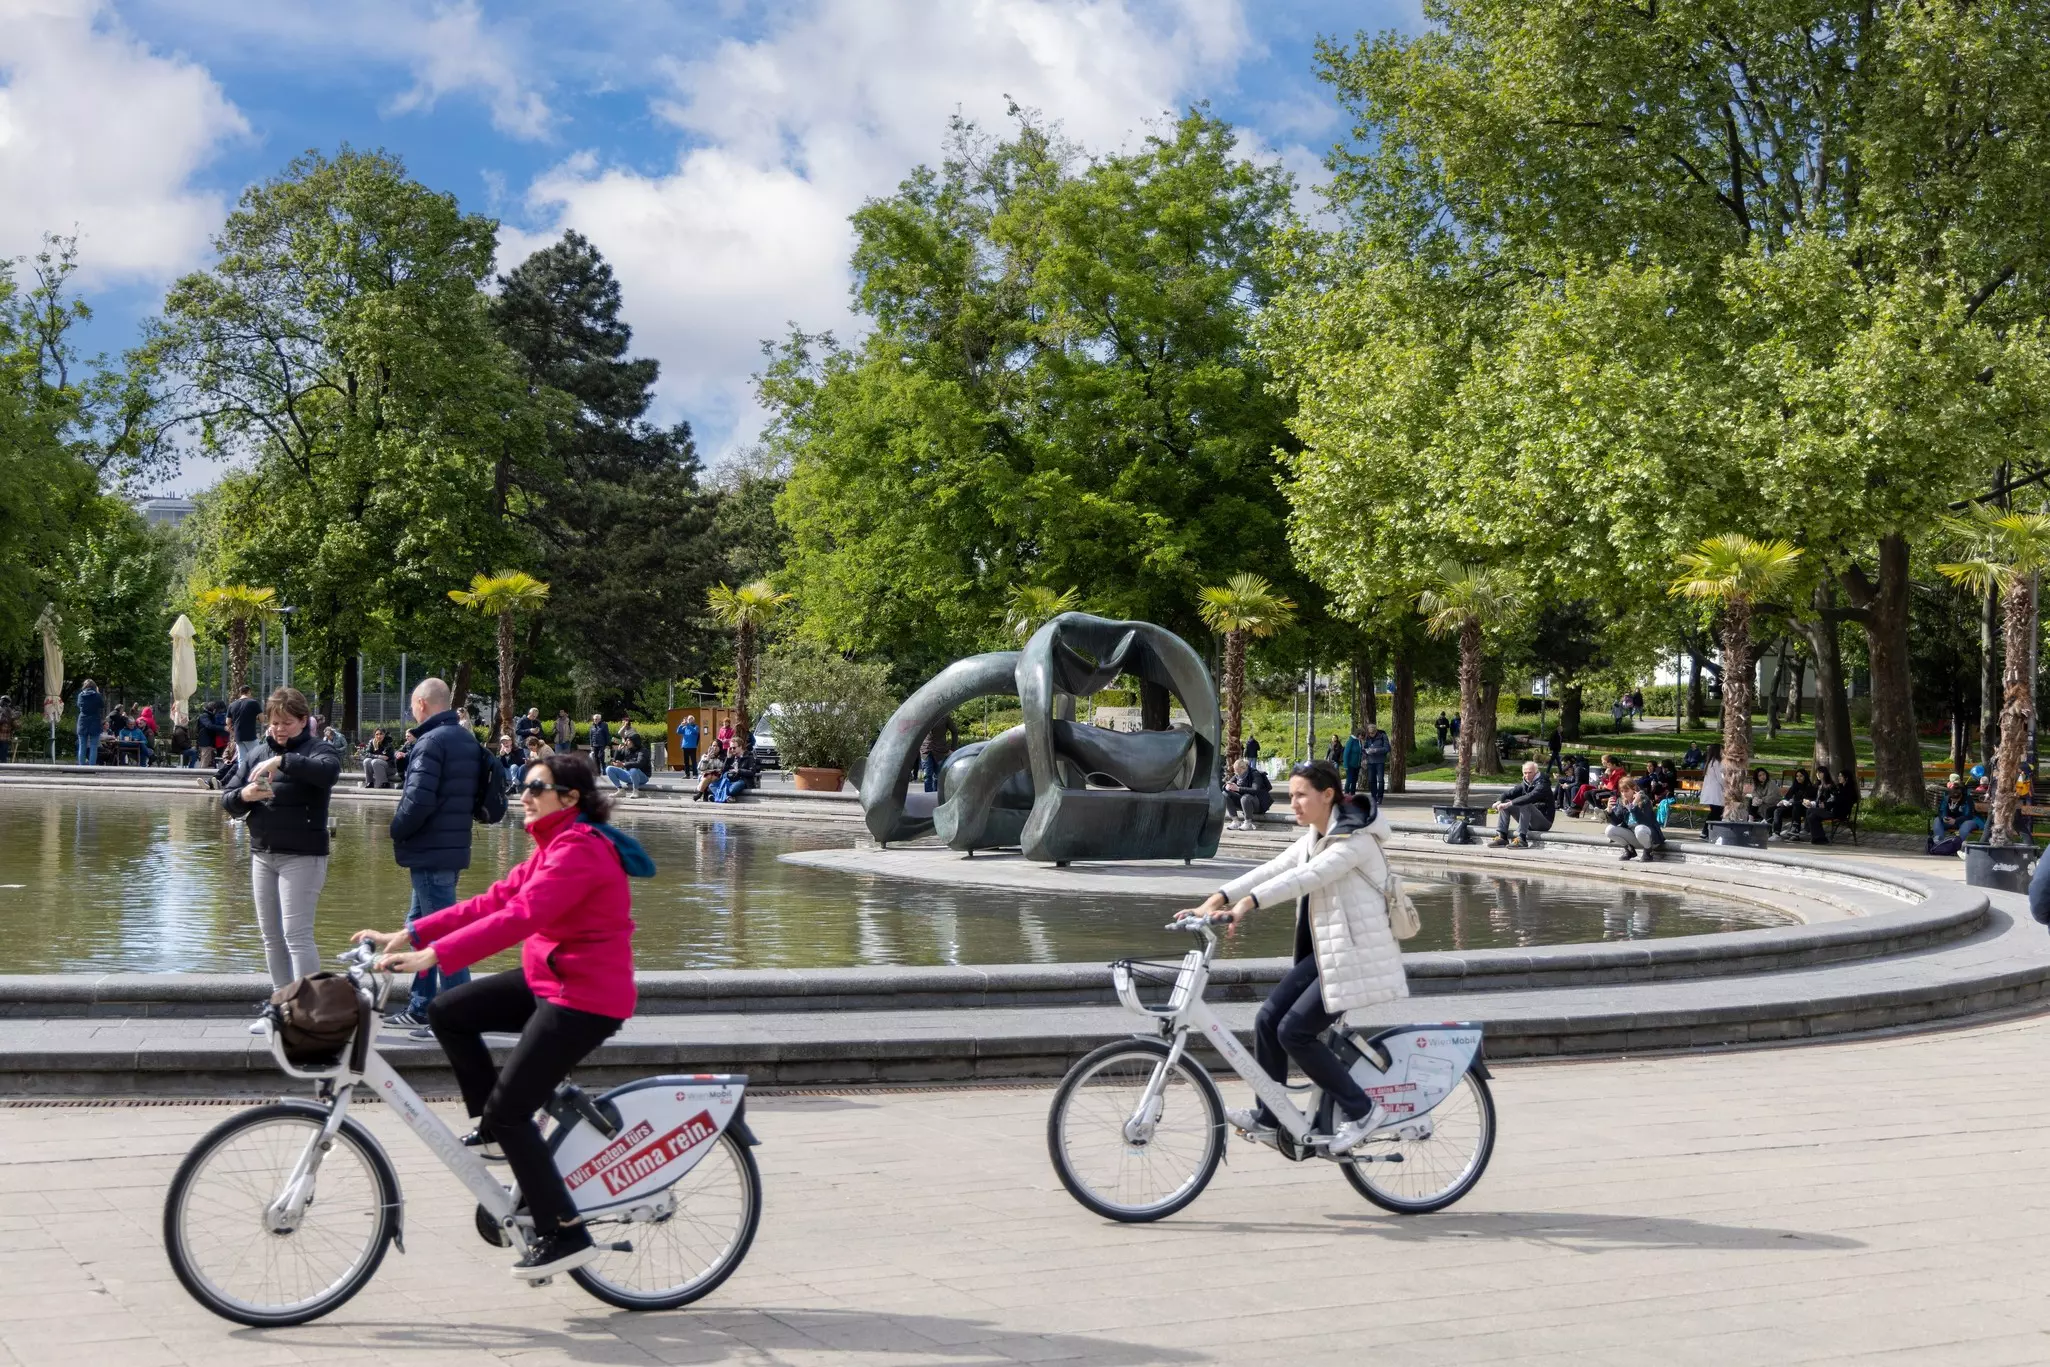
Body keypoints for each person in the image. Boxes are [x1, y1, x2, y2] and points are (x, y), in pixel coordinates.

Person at [355, 752, 645, 1280]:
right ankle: (493, 1131)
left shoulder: (579, 850)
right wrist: (413, 932)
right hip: (549, 982)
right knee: (447, 1011)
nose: (524, 795)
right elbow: (496, 899)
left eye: (535, 786)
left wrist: (435, 957)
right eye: (523, 785)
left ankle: (564, 1232)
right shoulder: (554, 845)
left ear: (570, 798)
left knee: (512, 1112)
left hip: (584, 998)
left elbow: (521, 917)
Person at [1176, 761, 1406, 1157]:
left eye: (1300, 795)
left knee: (1293, 1031)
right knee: (1267, 1020)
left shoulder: (1355, 841)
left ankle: (1364, 1111)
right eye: (1291, 795)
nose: (1293, 803)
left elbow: (1306, 878)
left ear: (1327, 795)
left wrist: (1248, 905)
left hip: (1355, 958)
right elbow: (1276, 868)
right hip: (1326, 955)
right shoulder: (1317, 834)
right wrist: (1218, 898)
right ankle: (1272, 1116)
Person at [384, 677, 485, 1031]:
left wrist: (395, 828)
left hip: (430, 849)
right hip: (453, 846)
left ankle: (459, 1016)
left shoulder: (429, 742)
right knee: (421, 930)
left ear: (422, 704)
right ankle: (422, 1005)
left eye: (413, 704)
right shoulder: (464, 739)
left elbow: (418, 800)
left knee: (445, 938)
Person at [221, 687, 339, 987]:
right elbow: (228, 798)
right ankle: (282, 1006)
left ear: (303, 721)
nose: (279, 729)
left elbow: (328, 773)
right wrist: (244, 795)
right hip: (263, 854)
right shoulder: (258, 753)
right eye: (274, 723)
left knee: (296, 935)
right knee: (271, 937)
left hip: (303, 855)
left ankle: (309, 1012)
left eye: (286, 722)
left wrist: (281, 762)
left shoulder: (317, 750)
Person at [1488, 760, 1556, 848]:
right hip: (1529, 821)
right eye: (1525, 773)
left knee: (1525, 803)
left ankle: (1522, 839)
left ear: (1536, 772)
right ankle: (1502, 836)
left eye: (1530, 772)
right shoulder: (1525, 783)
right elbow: (1509, 793)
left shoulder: (1543, 784)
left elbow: (1530, 797)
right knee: (1504, 803)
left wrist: (1510, 803)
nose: (1527, 775)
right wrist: (1499, 801)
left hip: (1544, 822)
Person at [1605, 775, 1666, 861]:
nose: (1624, 794)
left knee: (1639, 828)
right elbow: (1616, 821)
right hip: (1634, 837)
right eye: (1622, 791)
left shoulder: (1644, 800)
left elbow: (1645, 822)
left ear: (1634, 789)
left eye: (1626, 791)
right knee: (1609, 830)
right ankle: (1629, 850)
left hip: (1650, 838)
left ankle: (1648, 852)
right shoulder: (1622, 801)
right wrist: (1610, 811)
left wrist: (1633, 806)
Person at [1931, 776, 1984, 846]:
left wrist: (1956, 820)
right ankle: (1938, 842)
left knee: (1966, 824)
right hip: (1950, 821)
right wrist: (1944, 818)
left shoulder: (1967, 799)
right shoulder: (1946, 798)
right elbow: (1941, 810)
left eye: (1957, 799)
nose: (1954, 801)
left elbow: (1969, 815)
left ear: (1961, 795)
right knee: (1937, 820)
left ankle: (1958, 844)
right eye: (1952, 799)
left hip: (1966, 821)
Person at [1223, 757, 1272, 830]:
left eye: (1238, 771)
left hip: (1258, 804)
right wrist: (1226, 786)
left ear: (1244, 768)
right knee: (1225, 794)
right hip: (1244, 803)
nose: (1237, 774)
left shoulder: (1255, 774)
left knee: (1245, 797)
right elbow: (1228, 783)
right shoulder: (1238, 775)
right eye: (1235, 772)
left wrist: (1238, 789)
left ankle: (1248, 823)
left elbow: (1255, 790)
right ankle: (1236, 821)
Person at [606, 721, 651, 797]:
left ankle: (636, 791)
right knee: (609, 769)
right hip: (629, 775)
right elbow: (615, 760)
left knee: (633, 769)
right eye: (626, 740)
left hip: (642, 777)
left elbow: (639, 763)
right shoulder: (626, 749)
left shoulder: (643, 750)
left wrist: (623, 764)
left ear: (634, 742)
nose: (626, 742)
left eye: (628, 740)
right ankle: (620, 790)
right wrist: (618, 751)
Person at [74, 679, 105, 765]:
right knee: (94, 746)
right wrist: (98, 693)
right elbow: (102, 705)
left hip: (83, 721)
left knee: (82, 745)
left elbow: (79, 705)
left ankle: (81, 766)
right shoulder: (97, 695)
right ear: (94, 686)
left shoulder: (81, 695)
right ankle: (91, 766)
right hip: (95, 720)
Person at [1362, 723, 1391, 804]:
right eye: (1369, 733)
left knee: (1380, 780)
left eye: (1372, 733)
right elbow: (1364, 748)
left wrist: (1376, 750)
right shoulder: (1367, 737)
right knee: (1371, 780)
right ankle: (1373, 797)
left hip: (1380, 761)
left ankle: (1380, 796)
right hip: (1370, 761)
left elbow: (1387, 748)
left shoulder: (1382, 736)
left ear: (1376, 731)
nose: (1371, 735)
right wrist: (1364, 757)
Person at [1698, 743, 1726, 822]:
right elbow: (1721, 778)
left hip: (1711, 792)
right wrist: (1727, 787)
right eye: (1721, 750)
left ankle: (1708, 831)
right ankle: (1706, 831)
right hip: (1715, 793)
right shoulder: (1716, 763)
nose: (1723, 751)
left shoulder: (1710, 762)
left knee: (1715, 813)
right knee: (1716, 813)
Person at [1341, 729, 1363, 795]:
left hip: (1357, 765)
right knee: (1349, 780)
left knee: (1354, 780)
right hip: (1350, 765)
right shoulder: (1350, 741)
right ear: (1358, 734)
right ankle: (1346, 794)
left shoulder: (1359, 741)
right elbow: (1346, 753)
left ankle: (1353, 794)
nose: (1362, 737)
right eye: (1361, 735)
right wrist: (1345, 765)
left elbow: (1360, 752)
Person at [0, 694, 16, 763]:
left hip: (5, 737)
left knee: (3, 756)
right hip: (4, 737)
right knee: (3, 756)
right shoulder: (8, 711)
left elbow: (17, 724)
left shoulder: (9, 711)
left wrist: (14, 718)